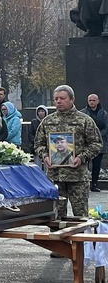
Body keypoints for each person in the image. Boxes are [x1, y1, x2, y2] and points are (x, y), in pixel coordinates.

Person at [34, 85, 103, 219]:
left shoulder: (84, 120)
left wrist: (82, 157)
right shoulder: (47, 121)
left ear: (72, 99)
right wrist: (45, 156)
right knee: (56, 218)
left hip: (77, 177)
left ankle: (81, 234)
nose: (58, 101)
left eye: (62, 98)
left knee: (81, 217)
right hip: (55, 177)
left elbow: (96, 144)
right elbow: (38, 144)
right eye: (56, 99)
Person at [81, 94, 108, 191]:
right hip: (86, 143)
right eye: (90, 100)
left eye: (93, 100)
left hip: (99, 143)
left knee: (97, 165)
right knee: (84, 164)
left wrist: (99, 134)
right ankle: (84, 184)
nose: (91, 102)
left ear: (98, 101)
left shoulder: (104, 114)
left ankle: (94, 184)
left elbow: (106, 127)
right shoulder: (83, 113)